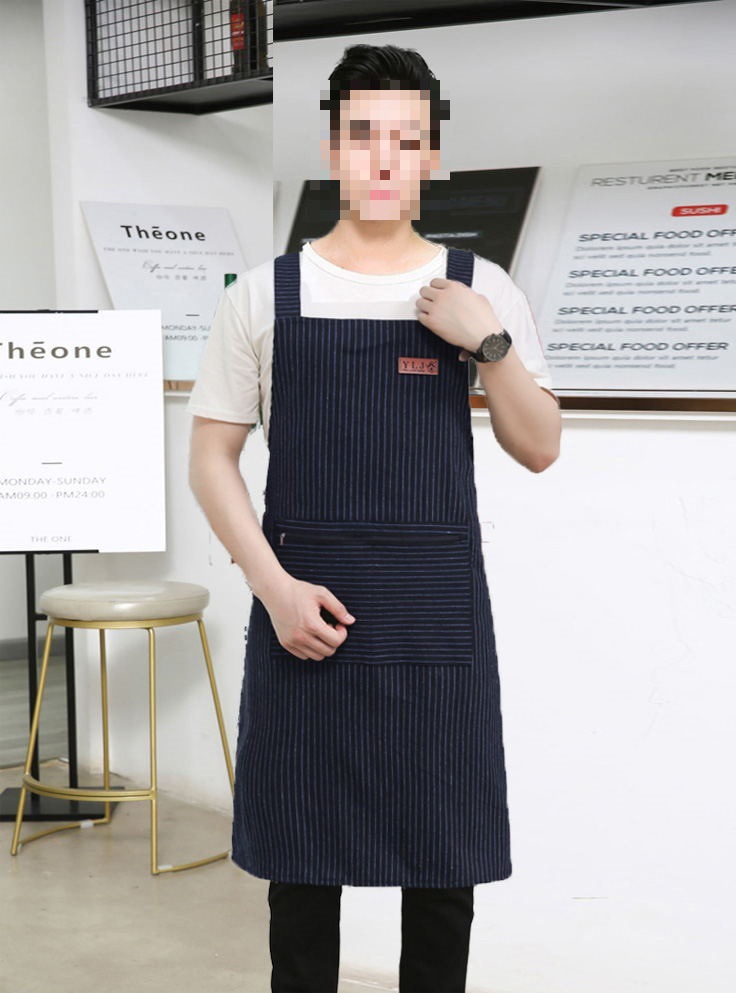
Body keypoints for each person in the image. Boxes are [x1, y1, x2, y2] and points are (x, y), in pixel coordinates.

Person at [188, 42, 561, 993]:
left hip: (436, 624)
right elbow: (210, 458)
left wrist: (487, 342)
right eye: (363, 136)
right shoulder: (265, 294)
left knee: (441, 882)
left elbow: (540, 446)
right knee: (301, 884)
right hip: (303, 615)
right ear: (333, 149)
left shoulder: (480, 288)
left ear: (433, 154)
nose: (384, 160)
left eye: (405, 139)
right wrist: (272, 589)